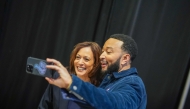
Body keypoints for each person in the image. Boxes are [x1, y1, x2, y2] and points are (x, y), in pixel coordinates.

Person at [45, 34, 147, 109]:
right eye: (103, 51)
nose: (102, 56)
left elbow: (115, 103)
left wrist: (73, 83)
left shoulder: (133, 82)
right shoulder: (108, 80)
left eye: (108, 52)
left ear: (125, 58)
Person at [38, 42, 103, 109]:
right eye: (78, 57)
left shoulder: (101, 88)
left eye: (86, 59)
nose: (80, 62)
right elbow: (43, 106)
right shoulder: (59, 77)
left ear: (96, 63)